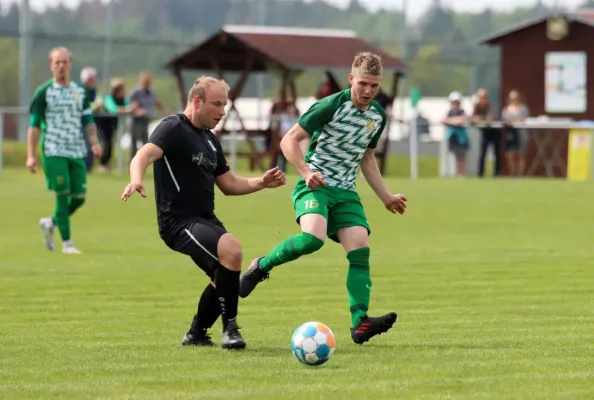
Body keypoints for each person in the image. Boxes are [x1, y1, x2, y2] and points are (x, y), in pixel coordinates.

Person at [238, 52, 407, 345]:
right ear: (351, 79)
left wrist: (386, 197)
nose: (368, 91)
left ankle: (360, 322)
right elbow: (288, 140)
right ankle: (261, 266)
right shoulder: (331, 105)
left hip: (346, 192)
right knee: (311, 239)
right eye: (363, 84)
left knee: (360, 249)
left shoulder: (377, 116)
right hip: (314, 184)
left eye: (374, 86)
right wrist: (305, 172)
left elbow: (367, 159)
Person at [121, 76, 286, 349]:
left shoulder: (210, 140)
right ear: (197, 101)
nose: (222, 111)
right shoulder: (173, 127)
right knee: (232, 251)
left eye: (225, 104)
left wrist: (262, 182)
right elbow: (143, 155)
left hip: (204, 219)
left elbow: (229, 184)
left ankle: (196, 333)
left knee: (223, 278)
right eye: (217, 104)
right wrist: (136, 178)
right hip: (177, 220)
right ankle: (230, 329)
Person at [26, 46, 102, 255]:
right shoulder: (44, 92)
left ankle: (50, 222)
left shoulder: (80, 91)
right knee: (62, 194)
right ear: (51, 65)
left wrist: (94, 142)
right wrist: (31, 155)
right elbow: (33, 126)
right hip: (53, 149)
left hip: (76, 149)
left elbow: (87, 119)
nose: (61, 66)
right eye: (57, 62)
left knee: (79, 198)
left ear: (70, 64)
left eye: (65, 62)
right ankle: (67, 243)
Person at [472, 88, 502, 177]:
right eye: (481, 97)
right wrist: (480, 119)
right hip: (485, 131)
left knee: (496, 153)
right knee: (483, 153)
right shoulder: (477, 106)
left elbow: (490, 118)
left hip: (495, 131)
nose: (483, 100)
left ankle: (496, 174)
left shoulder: (491, 106)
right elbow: (473, 119)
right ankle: (480, 174)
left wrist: (480, 118)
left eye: (484, 97)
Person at [501, 89, 529, 177]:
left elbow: (524, 119)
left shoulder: (523, 109)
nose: (514, 100)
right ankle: (512, 174)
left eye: (516, 98)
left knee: (521, 154)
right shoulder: (506, 109)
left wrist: (513, 121)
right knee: (510, 155)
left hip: (521, 133)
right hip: (511, 134)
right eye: (512, 98)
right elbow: (505, 120)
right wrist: (513, 121)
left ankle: (520, 175)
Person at [442, 91, 469, 177]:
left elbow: (463, 119)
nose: (455, 104)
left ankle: (462, 174)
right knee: (456, 156)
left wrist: (452, 120)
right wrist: (454, 120)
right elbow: (444, 119)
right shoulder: (449, 112)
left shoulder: (462, 111)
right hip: (452, 137)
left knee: (461, 156)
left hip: (461, 138)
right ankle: (457, 173)